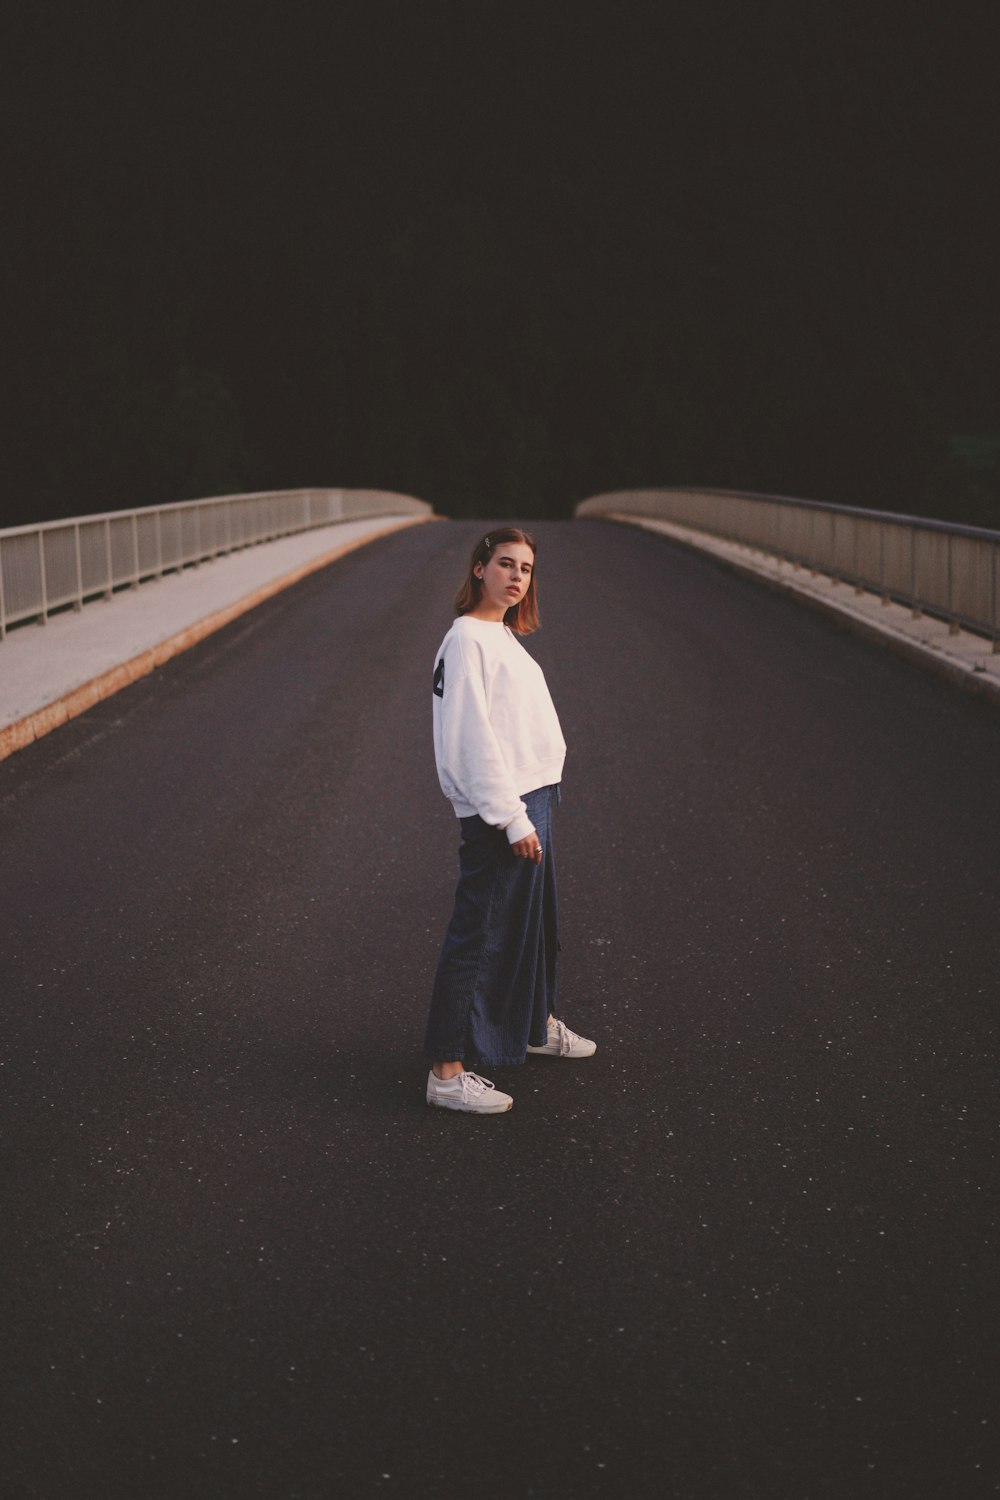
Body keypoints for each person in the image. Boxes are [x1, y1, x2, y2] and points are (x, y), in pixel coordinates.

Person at [424, 527, 596, 1114]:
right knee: (480, 934)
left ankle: (531, 1025)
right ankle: (447, 1071)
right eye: (505, 564)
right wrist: (509, 817)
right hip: (507, 809)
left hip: (533, 798)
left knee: (534, 927)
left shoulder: (498, 635)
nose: (517, 577)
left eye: (525, 568)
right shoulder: (466, 640)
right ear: (479, 569)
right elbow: (468, 740)